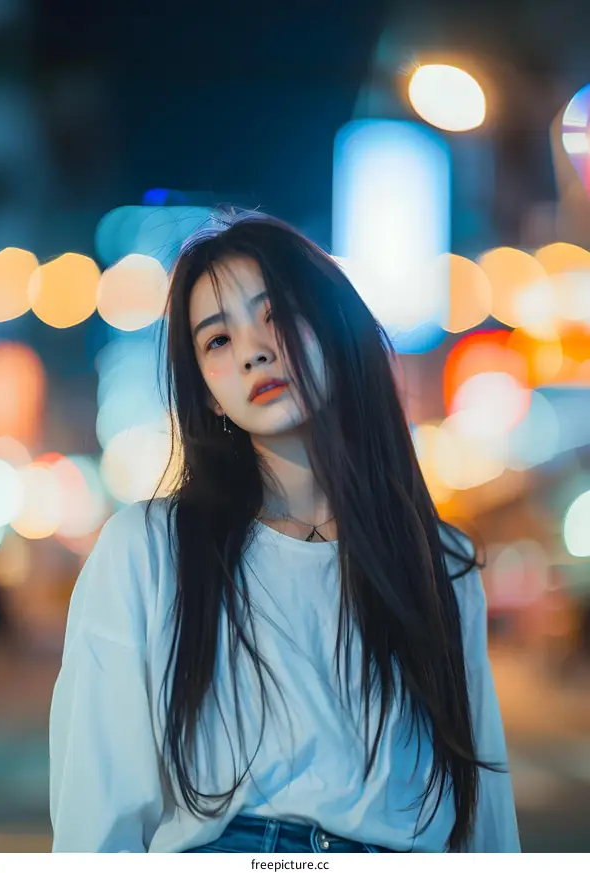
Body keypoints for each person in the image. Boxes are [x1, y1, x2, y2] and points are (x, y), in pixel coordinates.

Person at [49, 212, 521, 853]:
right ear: (209, 395)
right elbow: (96, 820)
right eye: (217, 341)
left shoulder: (436, 561)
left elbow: (484, 821)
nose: (254, 350)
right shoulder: (148, 552)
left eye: (276, 315)